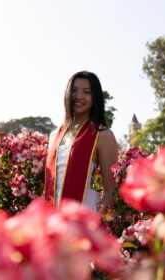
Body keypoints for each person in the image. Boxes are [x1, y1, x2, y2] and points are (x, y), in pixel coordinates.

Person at [44, 71, 118, 212]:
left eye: (86, 92)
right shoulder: (54, 136)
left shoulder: (102, 135)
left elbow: (110, 192)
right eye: (74, 90)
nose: (78, 96)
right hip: (52, 221)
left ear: (95, 97)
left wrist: (94, 223)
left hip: (84, 219)